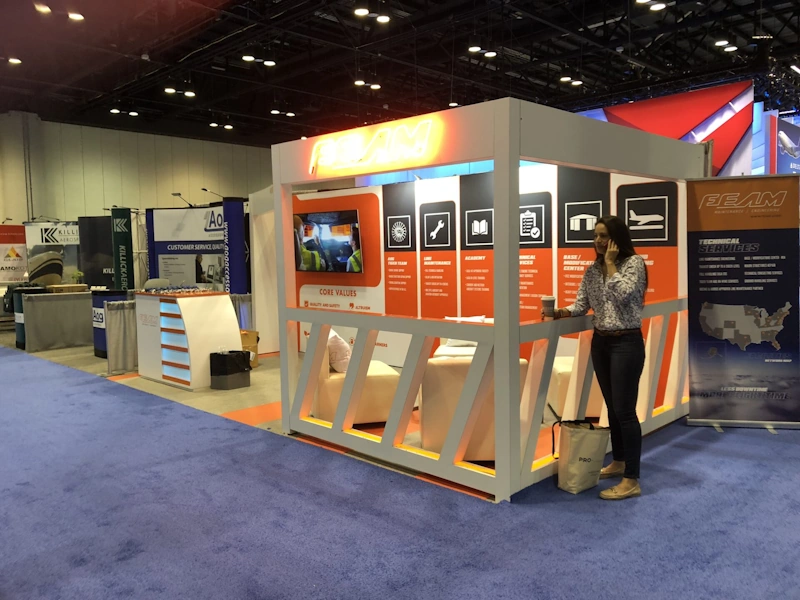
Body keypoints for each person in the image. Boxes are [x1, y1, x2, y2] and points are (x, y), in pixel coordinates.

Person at [548, 215, 647, 501]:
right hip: (601, 342)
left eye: (604, 236)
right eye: (595, 236)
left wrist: (613, 265)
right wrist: (559, 313)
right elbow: (581, 304)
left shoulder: (633, 264)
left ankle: (632, 479)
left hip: (626, 343)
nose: (599, 241)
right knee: (613, 409)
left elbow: (626, 296)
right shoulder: (592, 269)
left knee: (625, 411)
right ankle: (618, 461)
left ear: (617, 239)